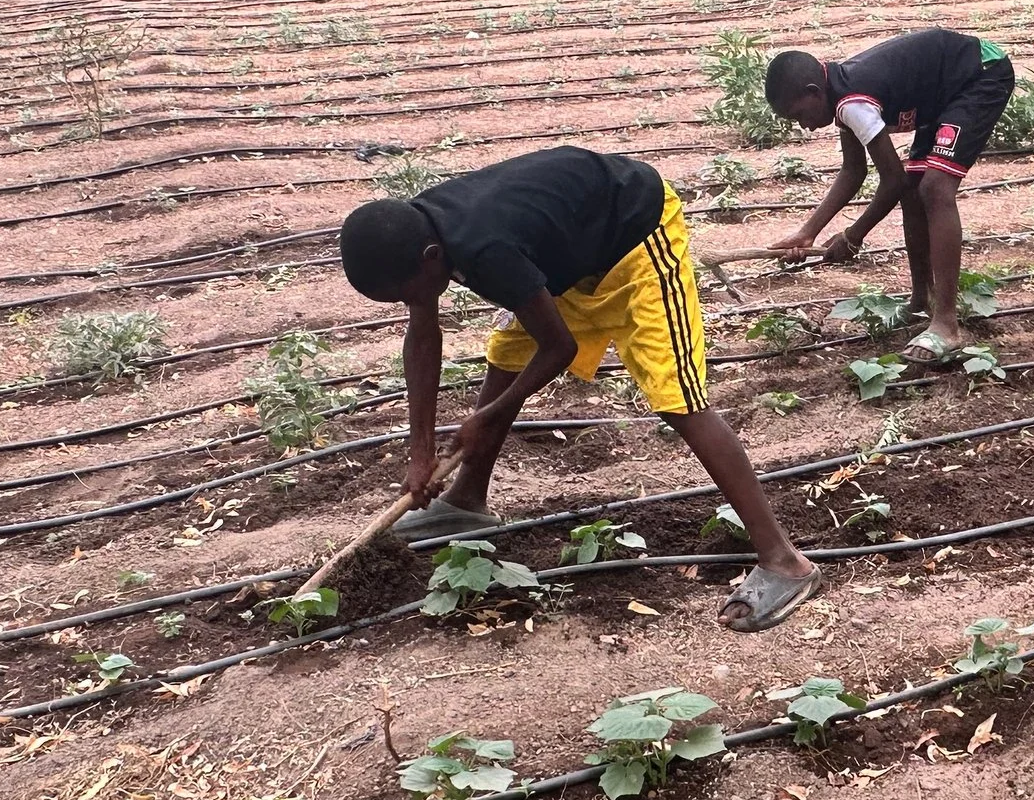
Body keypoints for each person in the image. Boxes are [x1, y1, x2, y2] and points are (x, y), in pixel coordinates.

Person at [337, 146, 819, 633]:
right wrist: (420, 452)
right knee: (507, 355)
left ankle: (784, 560)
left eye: (407, 293)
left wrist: (489, 417)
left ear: (432, 257)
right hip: (572, 253)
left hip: (636, 238)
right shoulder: (419, 233)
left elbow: (557, 347)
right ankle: (466, 501)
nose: (411, 303)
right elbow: (423, 332)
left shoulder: (483, 248)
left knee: (677, 398)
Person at [756, 28, 1014, 366]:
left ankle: (946, 324)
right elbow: (854, 172)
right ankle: (922, 300)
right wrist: (808, 233)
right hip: (940, 93)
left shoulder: (853, 103)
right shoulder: (840, 94)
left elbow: (892, 180)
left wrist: (852, 236)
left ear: (813, 91)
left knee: (934, 188)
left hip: (978, 73)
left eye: (799, 115)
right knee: (915, 191)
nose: (804, 125)